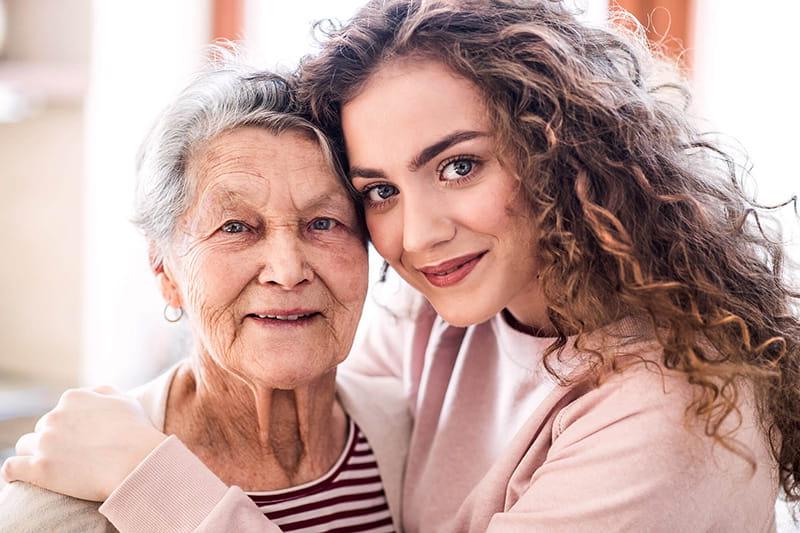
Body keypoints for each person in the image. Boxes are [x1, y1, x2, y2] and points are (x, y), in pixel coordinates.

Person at [4, 0, 800, 531]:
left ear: (561, 152)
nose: (415, 236)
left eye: (459, 167)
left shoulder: (673, 409)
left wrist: (153, 477)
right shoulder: (448, 315)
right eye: (379, 190)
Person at [0, 60, 408, 533]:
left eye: (323, 223)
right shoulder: (69, 492)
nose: (288, 270)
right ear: (165, 270)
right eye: (235, 227)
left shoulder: (409, 435)